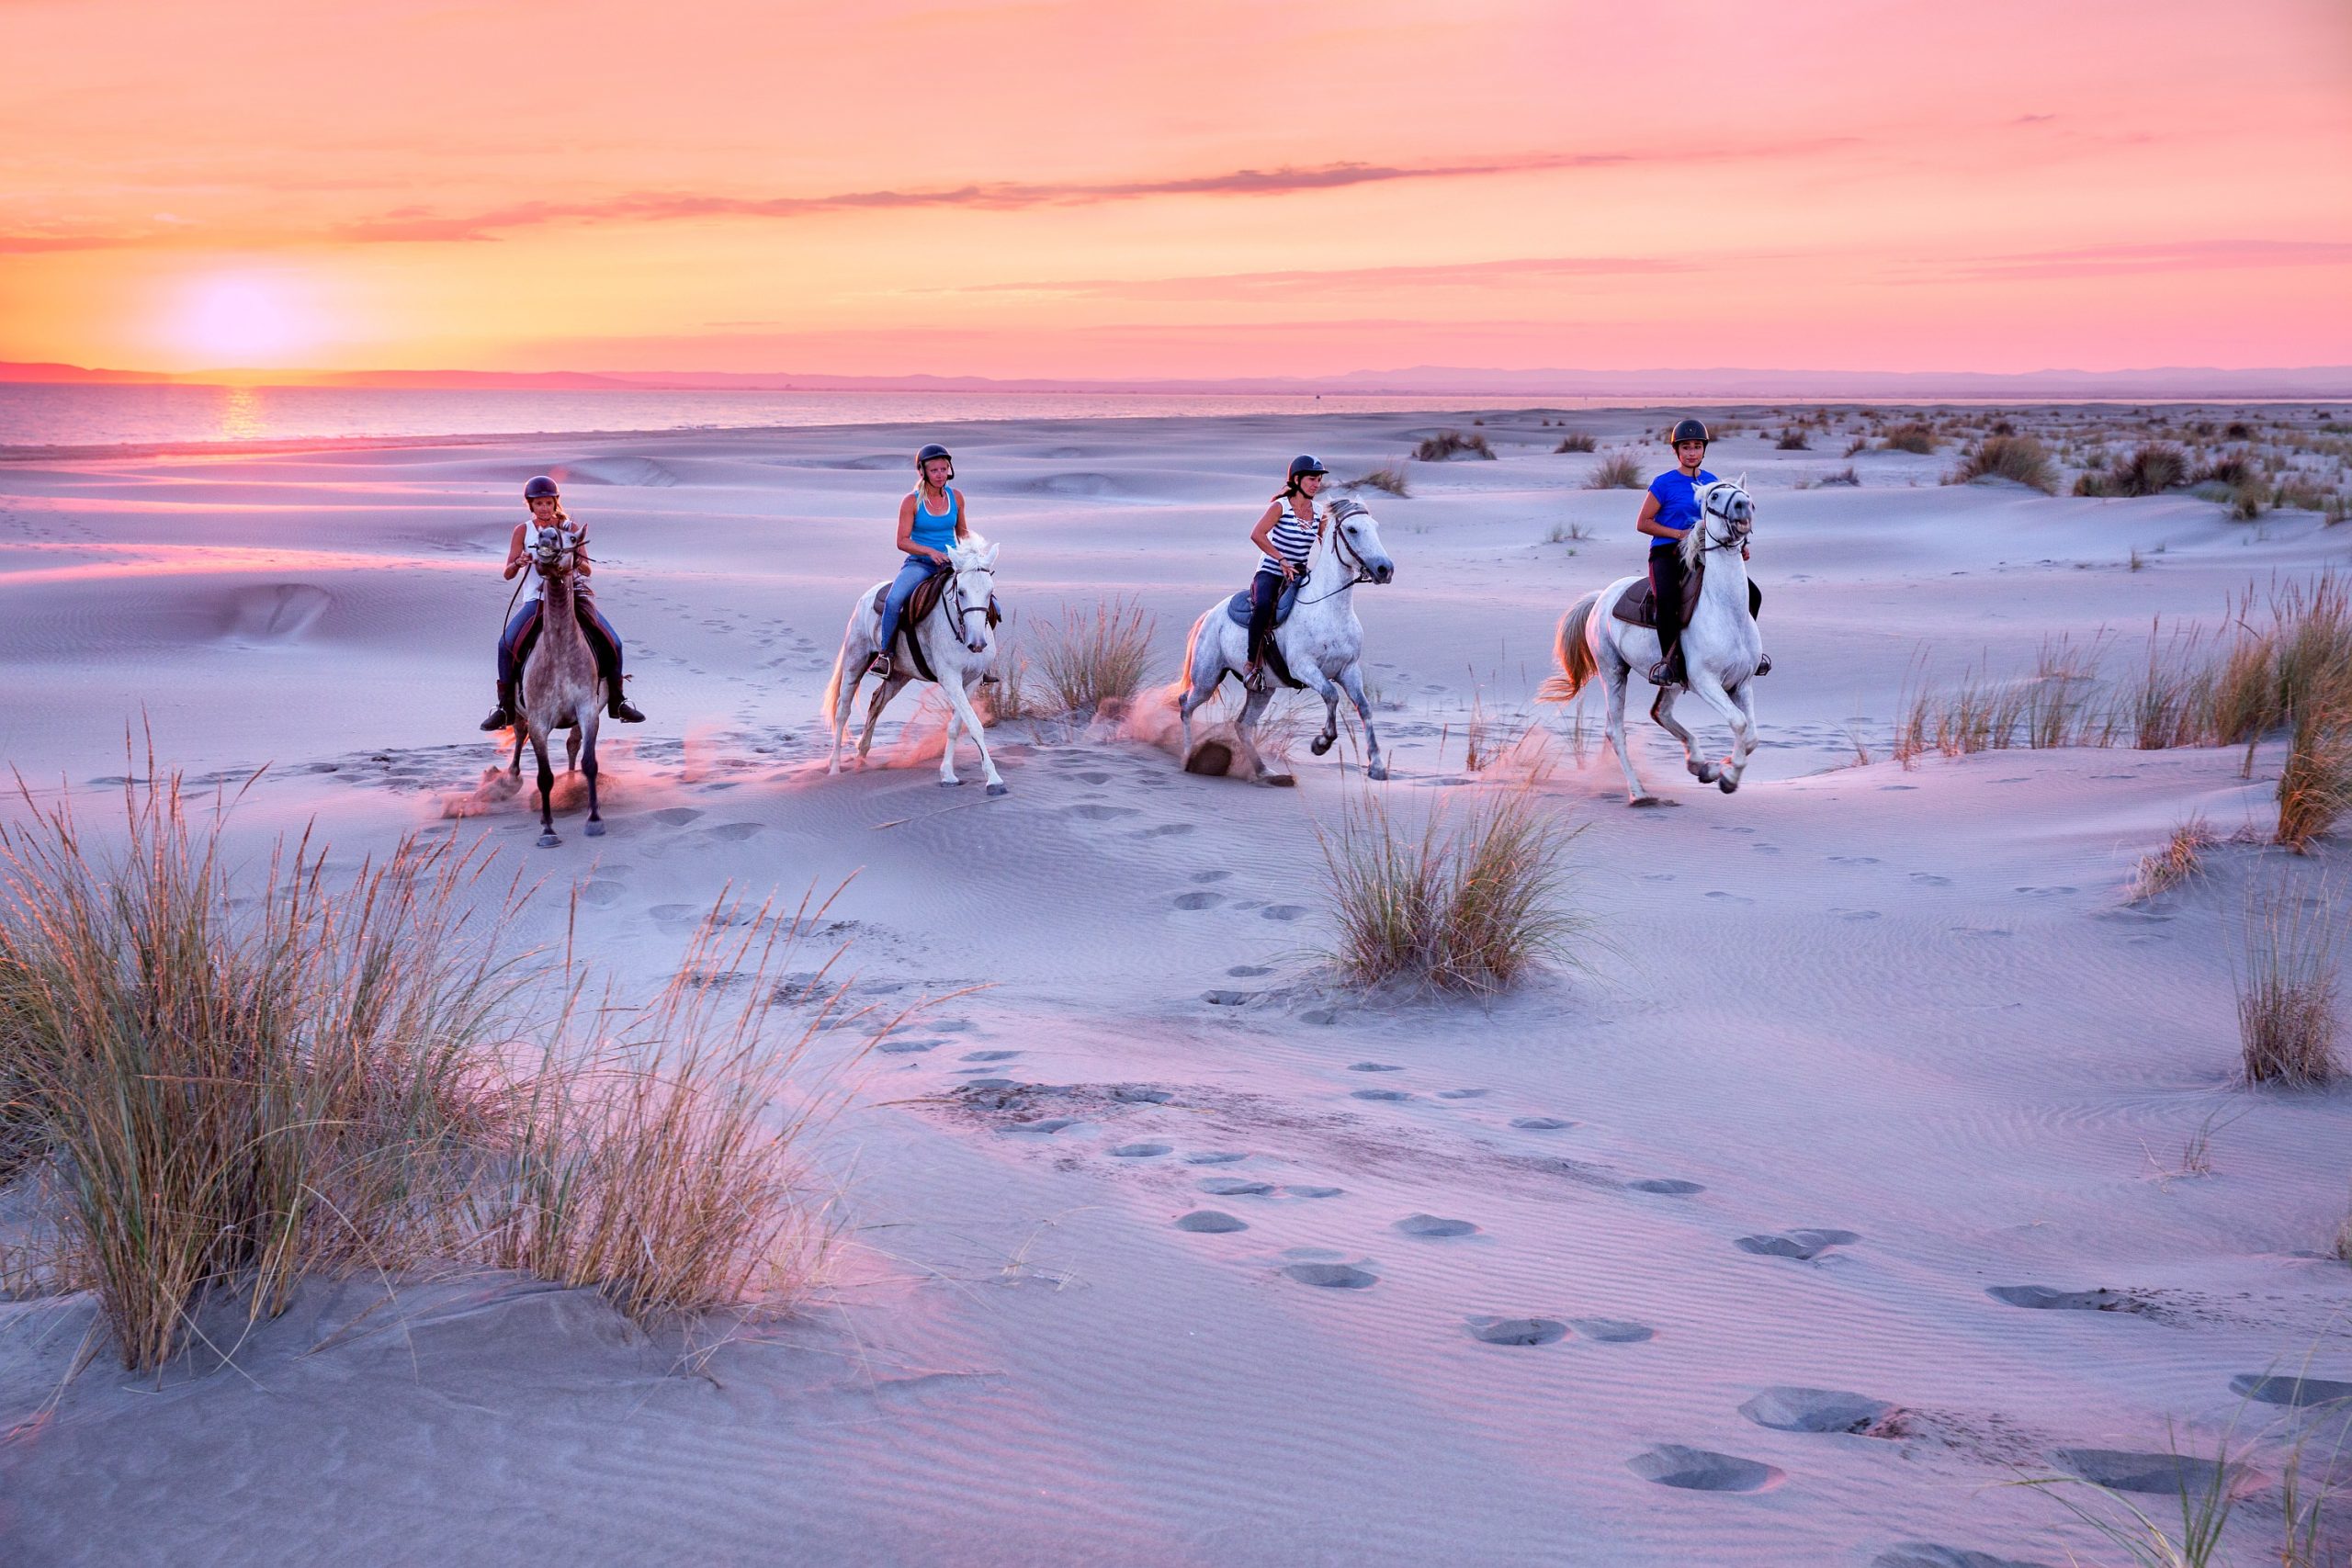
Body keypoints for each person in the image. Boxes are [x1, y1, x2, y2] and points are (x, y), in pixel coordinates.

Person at [479, 475, 646, 730]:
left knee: (615, 642)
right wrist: (519, 562)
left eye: (548, 502)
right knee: (505, 644)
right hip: (536, 602)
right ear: (530, 505)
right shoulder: (523, 531)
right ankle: (504, 707)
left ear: (556, 502)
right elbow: (507, 573)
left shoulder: (569, 528)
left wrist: (571, 558)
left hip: (571, 600)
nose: (544, 508)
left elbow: (588, 569)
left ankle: (618, 702)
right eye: (538, 504)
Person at [1633, 419, 1768, 684]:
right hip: (1667, 553)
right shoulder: (1663, 484)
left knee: (1752, 594)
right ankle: (1667, 662)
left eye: (1697, 446)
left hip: (1706, 553)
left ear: (1704, 450)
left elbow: (1725, 520)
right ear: (1677, 452)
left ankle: (1749, 652)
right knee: (1668, 600)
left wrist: (1741, 547)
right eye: (1686, 447)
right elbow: (1643, 523)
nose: (1691, 452)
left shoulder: (1713, 483)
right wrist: (1679, 534)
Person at [869, 442, 972, 678]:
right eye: (934, 470)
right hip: (920, 564)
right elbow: (902, 541)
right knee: (894, 600)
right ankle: (886, 655)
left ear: (949, 470)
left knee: (985, 600)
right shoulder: (911, 501)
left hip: (952, 563)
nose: (940, 474)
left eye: (943, 469)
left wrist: (970, 554)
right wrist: (929, 552)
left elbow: (962, 532)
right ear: (922, 471)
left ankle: (981, 661)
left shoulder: (956, 497)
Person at [1245, 455, 1327, 682]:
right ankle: (1252, 663)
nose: (1316, 484)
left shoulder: (1319, 512)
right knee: (1262, 607)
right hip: (1271, 571)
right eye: (1312, 479)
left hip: (1299, 573)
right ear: (1297, 479)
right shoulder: (1280, 506)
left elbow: (1327, 543)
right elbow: (1257, 534)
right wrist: (1281, 560)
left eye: (1319, 480)